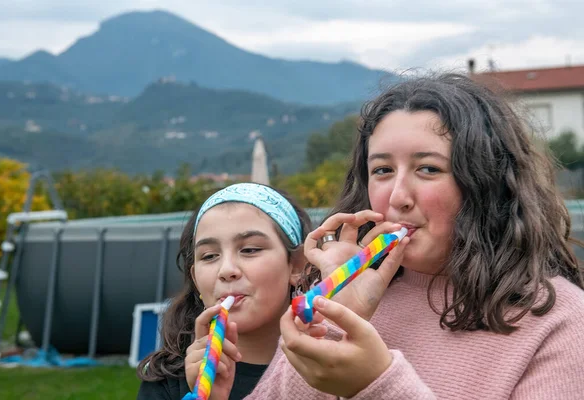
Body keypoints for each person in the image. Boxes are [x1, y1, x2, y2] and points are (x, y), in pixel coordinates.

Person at [245, 73, 584, 399]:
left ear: (486, 184)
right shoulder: (338, 291)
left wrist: (376, 384)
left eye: (428, 169)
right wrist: (335, 318)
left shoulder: (560, 321)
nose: (397, 197)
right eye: (382, 170)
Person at [136, 183, 316, 400]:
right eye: (209, 256)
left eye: (250, 250)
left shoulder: (332, 368)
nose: (226, 270)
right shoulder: (167, 384)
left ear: (297, 265)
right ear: (196, 279)